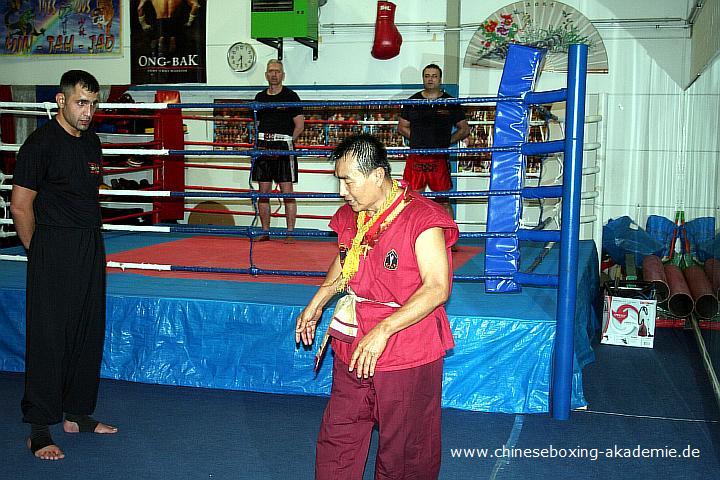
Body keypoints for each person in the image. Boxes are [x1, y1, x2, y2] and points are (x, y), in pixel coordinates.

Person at [295, 134, 458, 479]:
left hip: (406, 345)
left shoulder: (421, 218)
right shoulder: (352, 214)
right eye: (339, 180)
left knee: (405, 447)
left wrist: (384, 329)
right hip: (352, 339)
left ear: (377, 176)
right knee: (340, 430)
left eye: (348, 181)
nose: (343, 191)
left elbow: (437, 288)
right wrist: (319, 299)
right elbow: (346, 261)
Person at [11, 70, 117, 461]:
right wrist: (37, 251)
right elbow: (20, 205)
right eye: (81, 103)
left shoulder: (91, 142)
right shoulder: (39, 144)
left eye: (93, 103)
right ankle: (39, 429)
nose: (88, 111)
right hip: (51, 246)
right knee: (49, 336)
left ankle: (77, 414)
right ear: (60, 100)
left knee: (88, 330)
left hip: (90, 242)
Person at [397, 63, 470, 219]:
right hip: (417, 155)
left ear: (440, 79)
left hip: (439, 157)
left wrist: (445, 142)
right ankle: (409, 235)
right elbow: (402, 127)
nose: (430, 79)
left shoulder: (450, 102)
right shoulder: (413, 101)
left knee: (443, 200)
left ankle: (450, 237)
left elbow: (464, 129)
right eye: (427, 76)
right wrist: (420, 140)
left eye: (434, 76)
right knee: (411, 198)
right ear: (423, 78)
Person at [253, 59, 305, 242]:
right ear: (266, 75)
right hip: (263, 146)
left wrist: (288, 141)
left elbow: (300, 124)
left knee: (287, 192)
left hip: (283, 146)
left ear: (283, 75)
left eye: (277, 71)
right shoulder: (260, 97)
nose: (274, 74)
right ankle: (265, 231)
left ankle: (290, 233)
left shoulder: (291, 96)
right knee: (263, 192)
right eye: (270, 71)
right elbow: (256, 124)